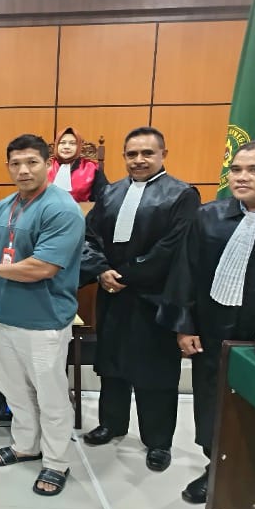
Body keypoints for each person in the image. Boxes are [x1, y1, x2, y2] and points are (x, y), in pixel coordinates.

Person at [158, 140, 255, 504]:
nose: (241, 177)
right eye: (236, 169)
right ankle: (217, 469)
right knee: (213, 403)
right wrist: (184, 325)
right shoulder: (208, 216)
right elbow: (185, 272)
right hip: (214, 331)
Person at [78, 126, 200, 472]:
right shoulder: (111, 192)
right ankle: (111, 424)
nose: (139, 160)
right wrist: (101, 270)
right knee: (111, 363)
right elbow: (90, 236)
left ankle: (158, 441)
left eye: (147, 153)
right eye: (132, 154)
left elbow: (171, 248)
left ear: (163, 154)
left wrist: (125, 275)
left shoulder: (182, 194)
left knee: (155, 371)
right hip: (112, 294)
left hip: (155, 298)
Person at [0, 134, 85, 497]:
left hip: (43, 321)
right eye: (16, 163)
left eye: (32, 162)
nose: (23, 170)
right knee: (13, 390)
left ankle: (56, 461)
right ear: (8, 166)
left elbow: (43, 267)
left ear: (48, 164)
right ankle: (25, 445)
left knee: (51, 397)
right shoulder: (2, 207)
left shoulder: (62, 209)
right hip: (3, 316)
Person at [47, 126, 108, 202]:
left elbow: (104, 197)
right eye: (62, 143)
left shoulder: (92, 168)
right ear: (56, 145)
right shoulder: (45, 166)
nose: (67, 147)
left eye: (72, 143)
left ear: (79, 146)